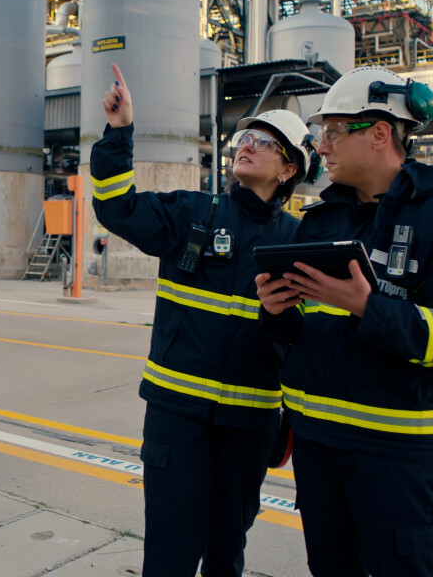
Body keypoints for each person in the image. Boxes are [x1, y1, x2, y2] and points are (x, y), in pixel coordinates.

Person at [254, 66, 433, 577]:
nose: (321, 145)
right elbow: (301, 335)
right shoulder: (320, 223)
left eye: (333, 131)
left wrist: (369, 308)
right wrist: (275, 313)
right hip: (318, 452)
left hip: (396, 457)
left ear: (380, 133)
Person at [91, 63, 318, 577]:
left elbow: (306, 339)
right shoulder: (192, 213)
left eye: (265, 142)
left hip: (249, 425)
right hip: (177, 418)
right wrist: (120, 132)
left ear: (288, 171)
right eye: (246, 137)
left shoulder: (299, 241)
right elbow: (116, 207)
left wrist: (280, 319)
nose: (247, 144)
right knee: (168, 555)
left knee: (225, 553)